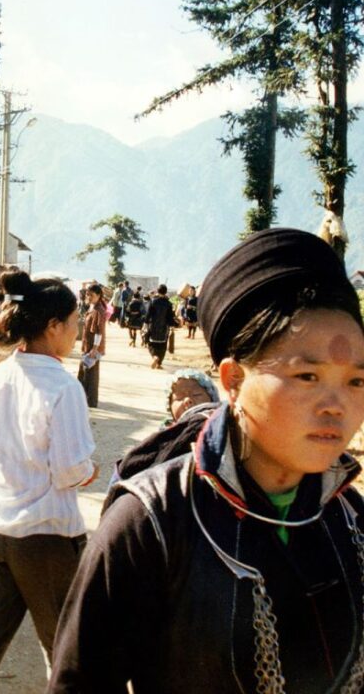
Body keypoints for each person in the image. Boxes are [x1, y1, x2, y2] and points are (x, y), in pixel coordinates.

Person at [49, 228, 364, 694]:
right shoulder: (151, 524)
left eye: (356, 382)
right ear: (233, 380)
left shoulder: (350, 518)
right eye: (307, 376)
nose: (336, 406)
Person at [0, 270, 99, 694]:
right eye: (74, 323)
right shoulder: (63, 387)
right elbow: (70, 469)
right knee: (68, 656)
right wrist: (90, 470)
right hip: (46, 538)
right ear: (53, 326)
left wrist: (15, 466)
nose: (76, 332)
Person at [77, 282, 106, 408]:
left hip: (93, 347)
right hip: (87, 345)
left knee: (91, 374)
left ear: (98, 296)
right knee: (85, 372)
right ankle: (83, 398)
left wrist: (94, 349)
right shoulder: (92, 308)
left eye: (91, 295)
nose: (88, 297)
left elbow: (99, 332)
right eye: (87, 295)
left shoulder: (99, 310)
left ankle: (90, 401)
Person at [144, 283, 178, 369]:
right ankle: (159, 363)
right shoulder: (168, 304)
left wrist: (145, 323)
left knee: (151, 344)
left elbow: (148, 314)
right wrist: (173, 326)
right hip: (164, 328)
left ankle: (155, 357)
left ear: (157, 291)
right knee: (162, 346)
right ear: (165, 292)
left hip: (153, 326)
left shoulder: (153, 301)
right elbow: (170, 317)